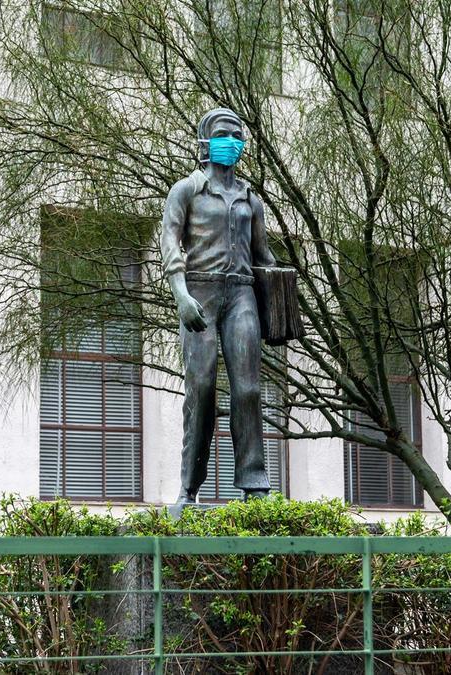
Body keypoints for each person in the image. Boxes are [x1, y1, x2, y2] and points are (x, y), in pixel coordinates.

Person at [160, 107, 278, 515]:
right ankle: (189, 490)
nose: (233, 141)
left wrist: (282, 292)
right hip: (200, 294)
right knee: (203, 389)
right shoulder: (186, 191)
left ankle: (254, 484)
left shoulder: (251, 199)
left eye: (238, 135)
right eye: (225, 134)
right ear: (205, 143)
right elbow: (171, 247)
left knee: (247, 388)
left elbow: (263, 255)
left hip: (241, 294)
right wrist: (180, 295)